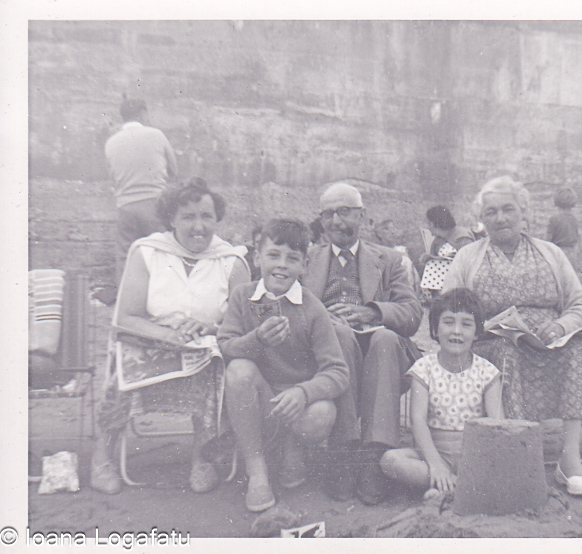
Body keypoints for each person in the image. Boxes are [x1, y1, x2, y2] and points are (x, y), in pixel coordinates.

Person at [90, 178, 250, 495]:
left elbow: (243, 323)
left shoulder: (232, 261)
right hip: (150, 341)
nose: (198, 226)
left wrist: (213, 329)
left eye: (206, 216)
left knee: (215, 370)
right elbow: (126, 318)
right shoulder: (148, 252)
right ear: (172, 219)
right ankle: (102, 459)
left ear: (217, 219)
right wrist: (168, 335)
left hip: (206, 351)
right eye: (188, 217)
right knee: (120, 374)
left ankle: (201, 459)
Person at [443, 175, 582, 496]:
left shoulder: (552, 253)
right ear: (481, 220)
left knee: (577, 347)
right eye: (491, 212)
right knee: (507, 351)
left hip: (549, 341)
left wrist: (560, 327)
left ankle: (569, 460)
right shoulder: (468, 256)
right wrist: (489, 328)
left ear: (523, 212)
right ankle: (520, 451)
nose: (500, 218)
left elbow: (580, 306)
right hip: (491, 343)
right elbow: (449, 310)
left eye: (508, 209)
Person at [218, 219, 356, 512]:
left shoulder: (312, 307)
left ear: (304, 266)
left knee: (322, 411)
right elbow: (226, 346)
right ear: (257, 258)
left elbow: (338, 371)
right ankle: (258, 472)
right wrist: (256, 339)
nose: (282, 265)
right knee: (239, 371)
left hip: (297, 407)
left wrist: (304, 392)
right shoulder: (243, 296)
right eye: (273, 255)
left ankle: (294, 449)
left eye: (292, 259)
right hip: (260, 403)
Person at [303, 182, 423, 504]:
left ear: (363, 217)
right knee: (338, 334)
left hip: (379, 351)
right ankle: (343, 450)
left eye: (344, 212)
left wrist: (371, 311)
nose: (336, 221)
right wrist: (322, 321)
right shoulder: (308, 259)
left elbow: (413, 314)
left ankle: (375, 454)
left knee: (384, 338)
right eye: (328, 214)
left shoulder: (388, 260)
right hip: (328, 350)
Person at [380, 288, 504, 498]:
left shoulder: (488, 372)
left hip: (476, 454)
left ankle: (447, 489)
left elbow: (497, 423)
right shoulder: (424, 368)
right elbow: (417, 420)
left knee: (503, 464)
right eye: (448, 322)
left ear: (477, 333)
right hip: (434, 453)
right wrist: (436, 464)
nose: (456, 331)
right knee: (390, 461)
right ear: (435, 329)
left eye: (466, 324)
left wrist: (481, 460)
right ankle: (455, 486)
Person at [105, 98, 178, 285]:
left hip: (125, 207)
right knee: (161, 253)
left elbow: (112, 177)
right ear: (142, 114)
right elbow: (174, 170)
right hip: (154, 204)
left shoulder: (111, 143)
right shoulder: (156, 135)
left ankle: (125, 304)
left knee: (126, 257)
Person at [419, 206, 474, 301]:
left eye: (429, 223)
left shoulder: (462, 237)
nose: (428, 227)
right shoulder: (438, 240)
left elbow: (470, 262)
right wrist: (428, 258)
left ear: (436, 223)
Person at [547, 187, 580, 270]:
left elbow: (548, 240)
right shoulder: (574, 219)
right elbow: (576, 238)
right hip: (572, 254)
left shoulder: (554, 219)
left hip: (559, 254)